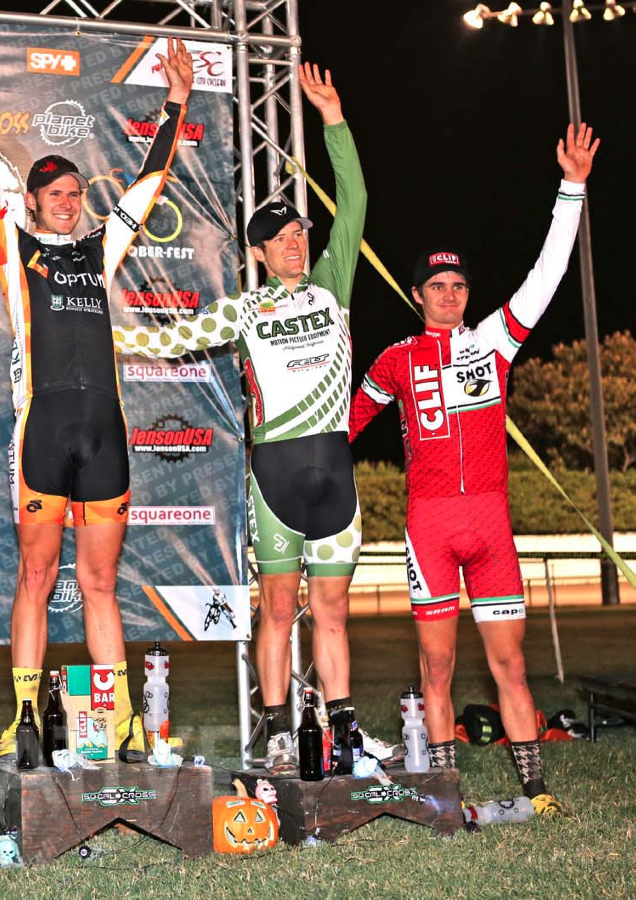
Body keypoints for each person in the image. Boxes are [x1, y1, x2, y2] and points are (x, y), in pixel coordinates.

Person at [0, 19, 193, 756]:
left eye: (76, 190)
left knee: (102, 584)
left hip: (105, 431)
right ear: (35, 202)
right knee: (37, 577)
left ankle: (127, 721)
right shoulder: (14, 249)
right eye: (55, 192)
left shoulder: (100, 248)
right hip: (43, 432)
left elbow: (150, 183)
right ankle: (21, 717)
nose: (69, 200)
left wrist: (173, 105)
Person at [112, 64, 373, 774]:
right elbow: (170, 340)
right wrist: (102, 337)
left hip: (334, 468)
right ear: (257, 252)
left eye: (298, 234)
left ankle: (344, 728)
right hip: (276, 473)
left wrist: (333, 121)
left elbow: (354, 203)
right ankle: (279, 729)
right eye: (279, 237)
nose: (294, 242)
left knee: (335, 612)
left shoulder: (332, 285)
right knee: (280, 611)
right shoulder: (244, 308)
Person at [349, 123, 599, 815]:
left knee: (510, 665)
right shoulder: (395, 359)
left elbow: (547, 273)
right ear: (417, 292)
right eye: (438, 285)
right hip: (429, 525)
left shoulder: (495, 341)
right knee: (437, 668)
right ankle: (445, 796)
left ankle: (537, 793)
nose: (451, 293)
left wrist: (570, 188)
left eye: (459, 284)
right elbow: (348, 425)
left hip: (491, 522)